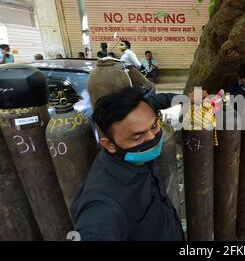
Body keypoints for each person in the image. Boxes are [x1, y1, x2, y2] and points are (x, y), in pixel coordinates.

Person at [71, 87, 205, 241]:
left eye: (154, 126)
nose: (152, 138)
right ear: (109, 145)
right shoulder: (103, 209)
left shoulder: (140, 117)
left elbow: (157, 101)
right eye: (137, 137)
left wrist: (187, 98)